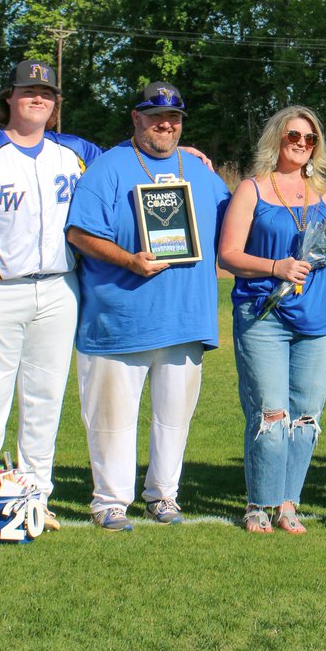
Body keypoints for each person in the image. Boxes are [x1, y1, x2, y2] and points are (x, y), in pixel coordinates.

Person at [0, 60, 102, 536]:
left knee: (44, 400)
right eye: (28, 90)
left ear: (55, 105)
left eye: (46, 93)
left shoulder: (77, 151)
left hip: (58, 287)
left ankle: (36, 495)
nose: (38, 98)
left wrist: (184, 153)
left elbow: (130, 162)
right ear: (8, 97)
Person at [66, 81, 231, 532]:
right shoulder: (108, 168)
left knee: (173, 420)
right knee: (111, 421)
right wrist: (128, 260)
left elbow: (234, 224)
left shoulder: (200, 171)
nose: (165, 124)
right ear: (136, 119)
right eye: (155, 116)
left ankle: (163, 496)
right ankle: (110, 502)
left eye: (174, 118)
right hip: (119, 317)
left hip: (184, 317)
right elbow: (79, 234)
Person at [218, 106, 326, 534]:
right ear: (277, 138)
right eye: (294, 137)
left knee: (306, 416)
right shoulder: (252, 189)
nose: (302, 145)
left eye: (310, 139)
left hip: (317, 316)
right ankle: (258, 504)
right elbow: (227, 254)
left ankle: (288, 503)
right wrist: (276, 267)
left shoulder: (324, 191)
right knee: (271, 413)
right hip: (262, 313)